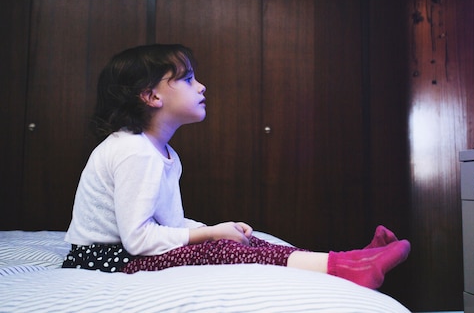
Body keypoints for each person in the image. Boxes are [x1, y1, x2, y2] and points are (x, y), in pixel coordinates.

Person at [62, 44, 410, 289]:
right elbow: (138, 239)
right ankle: (346, 268)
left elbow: (168, 225)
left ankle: (349, 259)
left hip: (125, 251)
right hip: (105, 259)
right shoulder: (133, 152)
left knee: (246, 241)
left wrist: (215, 227)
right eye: (187, 80)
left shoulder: (161, 152)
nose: (201, 87)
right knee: (221, 248)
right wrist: (212, 234)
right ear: (151, 96)